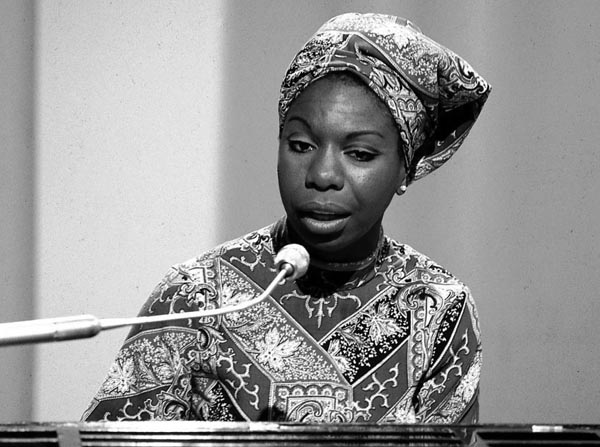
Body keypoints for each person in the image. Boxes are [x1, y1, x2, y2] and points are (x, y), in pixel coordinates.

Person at [83, 12, 490, 424]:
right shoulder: (197, 295)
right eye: (301, 145)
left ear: (405, 167)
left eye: (360, 154)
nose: (322, 175)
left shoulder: (438, 307)